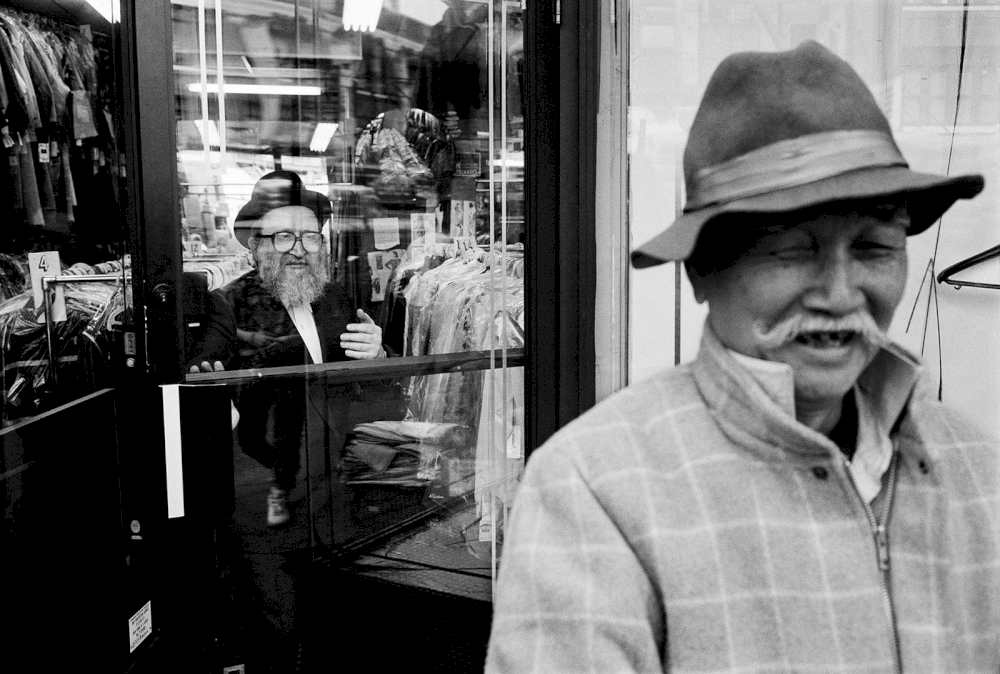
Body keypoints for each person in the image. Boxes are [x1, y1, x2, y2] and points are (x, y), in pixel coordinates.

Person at [486, 41, 1000, 672]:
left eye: (872, 247)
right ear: (701, 271)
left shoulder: (974, 471)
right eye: (791, 250)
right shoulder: (597, 488)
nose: (841, 296)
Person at [190, 170, 388, 529]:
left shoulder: (335, 296)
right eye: (283, 237)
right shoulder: (226, 301)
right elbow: (205, 385)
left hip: (337, 491)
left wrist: (377, 353)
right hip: (264, 499)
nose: (298, 249)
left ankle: (293, 492)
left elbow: (370, 383)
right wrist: (210, 389)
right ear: (256, 246)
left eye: (310, 237)